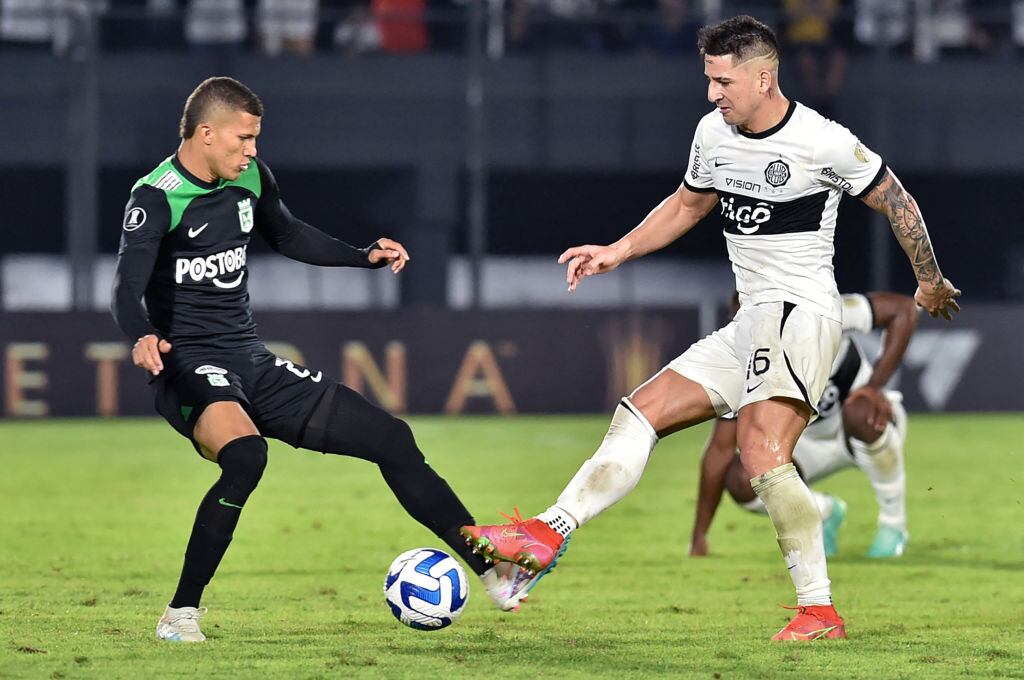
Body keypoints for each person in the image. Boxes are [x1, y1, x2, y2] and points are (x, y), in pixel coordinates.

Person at [462, 15, 961, 641]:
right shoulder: (712, 133)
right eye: (708, 80)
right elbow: (686, 204)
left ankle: (819, 609)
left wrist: (930, 279)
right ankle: (545, 532)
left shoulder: (821, 140)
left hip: (802, 313)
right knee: (640, 412)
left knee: (760, 452)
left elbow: (898, 201)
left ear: (763, 76)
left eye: (723, 82)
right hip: (750, 318)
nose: (712, 94)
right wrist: (617, 251)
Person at [110, 76, 529, 643]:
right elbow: (125, 287)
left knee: (392, 439)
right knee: (246, 457)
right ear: (206, 134)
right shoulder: (156, 196)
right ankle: (180, 614)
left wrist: (364, 258)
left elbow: (289, 235)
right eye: (244, 138)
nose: (253, 150)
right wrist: (141, 335)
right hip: (187, 366)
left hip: (250, 360)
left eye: (256, 139)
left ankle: (490, 569)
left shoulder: (251, 180)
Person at [689, 291, 917, 561]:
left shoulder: (824, 312)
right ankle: (823, 513)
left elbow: (904, 310)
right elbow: (720, 451)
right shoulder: (743, 366)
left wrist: (874, 386)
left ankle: (893, 524)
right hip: (807, 448)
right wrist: (699, 535)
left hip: (867, 425)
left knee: (861, 411)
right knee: (744, 477)